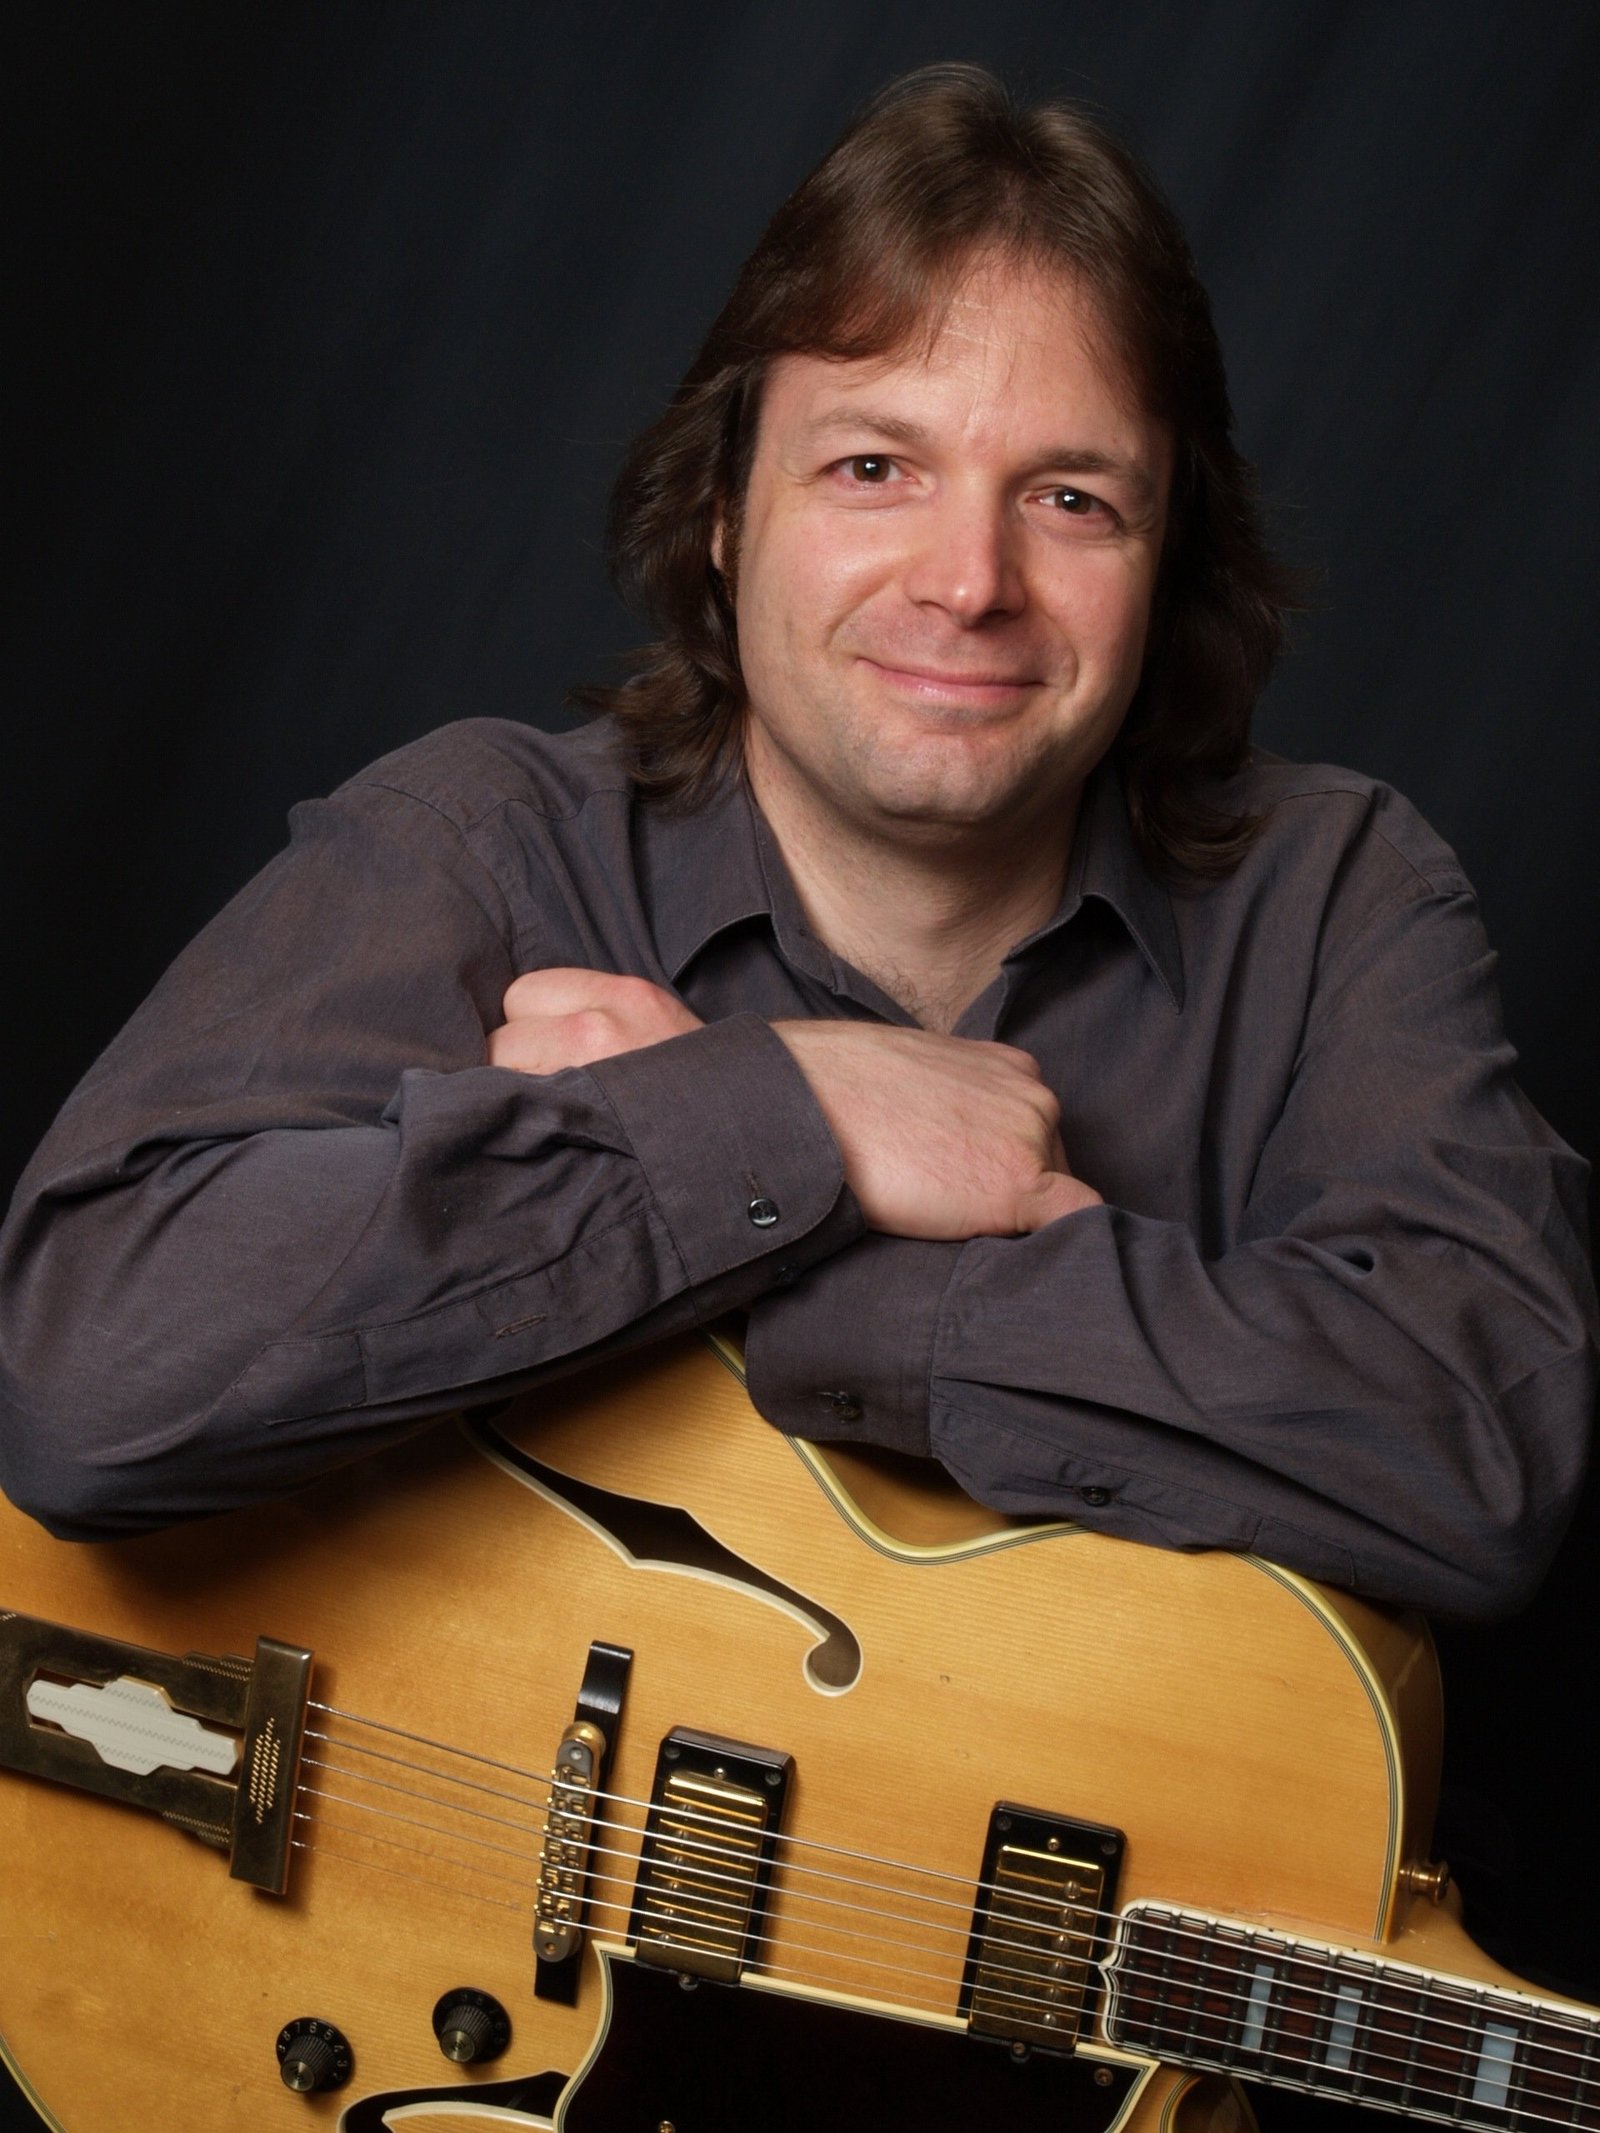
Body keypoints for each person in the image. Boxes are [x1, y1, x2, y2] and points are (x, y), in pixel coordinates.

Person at [0, 65, 1592, 1624]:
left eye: (1070, 499)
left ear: (1168, 561)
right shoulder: (485, 850)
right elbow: (86, 1374)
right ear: (722, 514)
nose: (970, 580)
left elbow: (1482, 1448)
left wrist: (766, 1213)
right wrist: (803, 1106)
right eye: (873, 468)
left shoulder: (1333, 899)